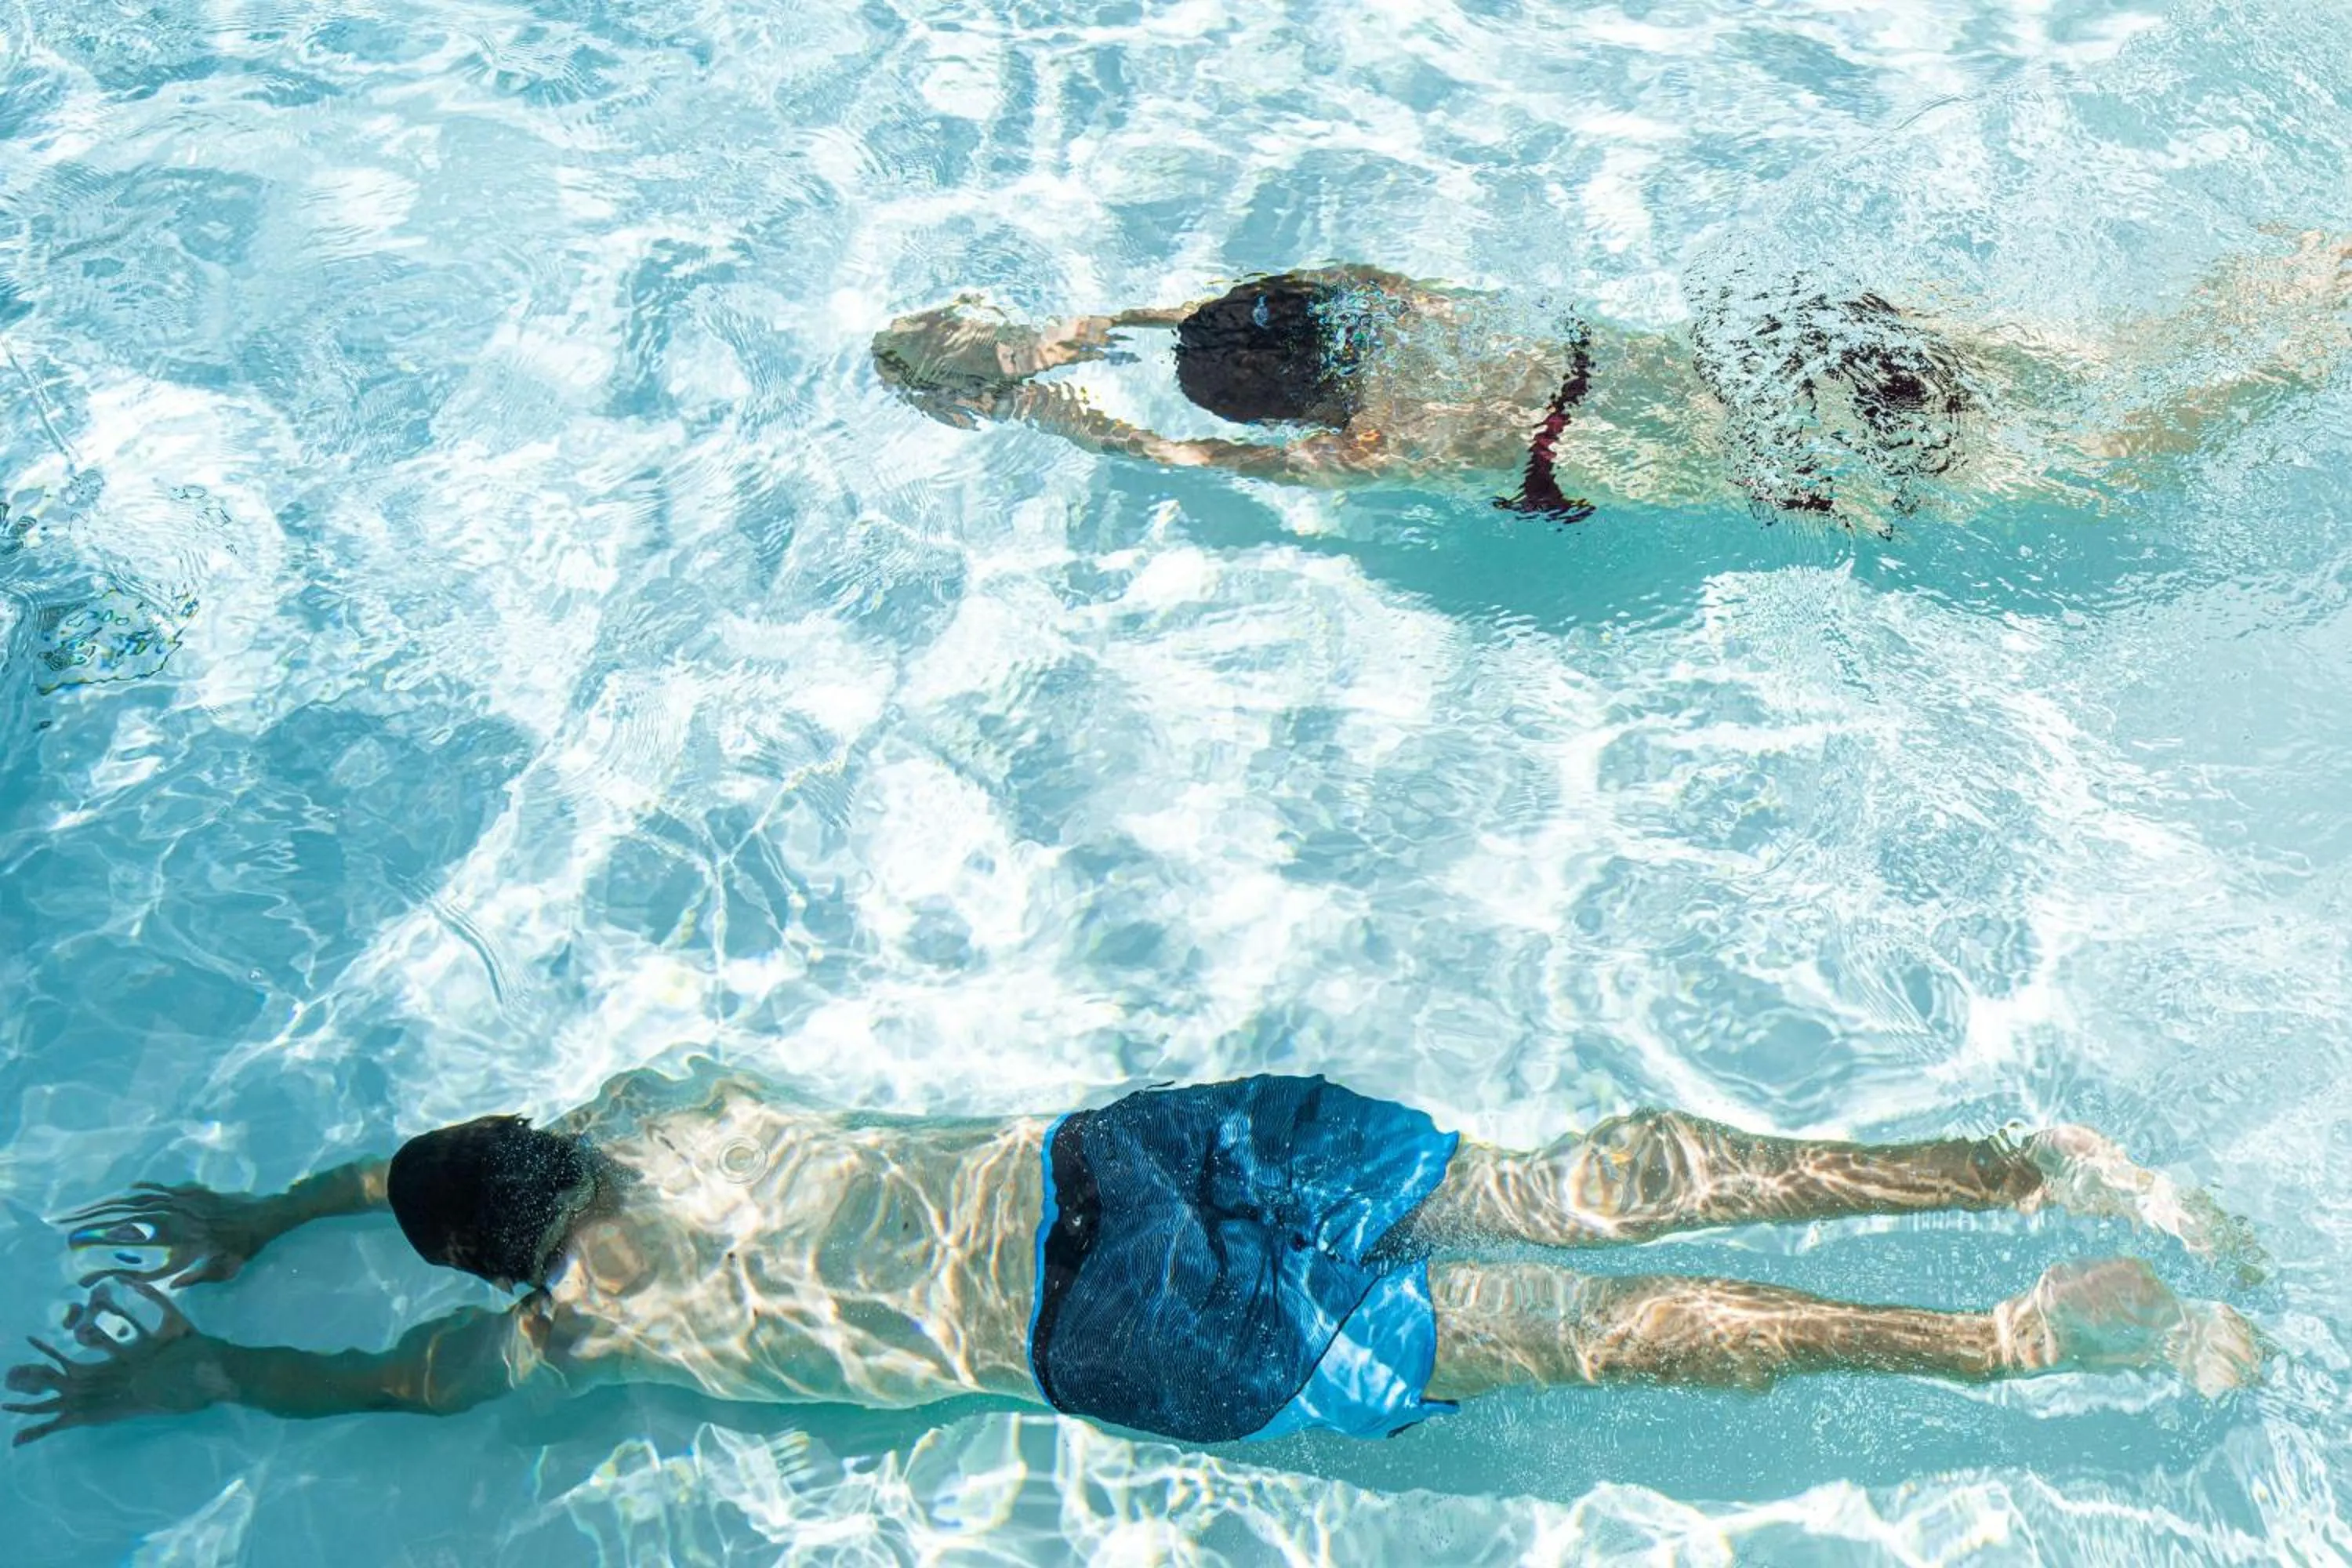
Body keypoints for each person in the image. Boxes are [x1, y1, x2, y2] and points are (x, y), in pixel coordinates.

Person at [7, 1065, 2263, 1447]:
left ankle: (2000, 1343)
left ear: (509, 1262)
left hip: (1114, 1323)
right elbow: (445, 1160)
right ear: (565, 1136)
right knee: (1592, 1186)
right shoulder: (684, 1112)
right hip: (1141, 1162)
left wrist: (205, 1367)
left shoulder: (566, 1330)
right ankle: (2013, 1160)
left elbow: (391, 1385)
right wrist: (272, 1203)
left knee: (1581, 1345)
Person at [871, 236, 2352, 533]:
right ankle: (2310, 277)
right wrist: (1077, 321)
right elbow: (1246, 307)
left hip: (1780, 452)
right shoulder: (1380, 292)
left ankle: (2303, 348)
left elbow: (1171, 462)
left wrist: (1028, 396)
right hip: (1768, 330)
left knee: (2116, 460)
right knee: (2079, 360)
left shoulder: (1368, 447)